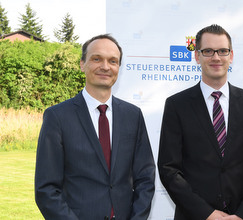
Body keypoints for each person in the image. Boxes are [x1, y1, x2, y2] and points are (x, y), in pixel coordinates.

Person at [158, 24, 243, 220]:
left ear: (231, 55)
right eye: (208, 51)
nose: (216, 57)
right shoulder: (177, 105)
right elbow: (169, 169)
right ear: (197, 56)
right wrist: (206, 214)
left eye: (222, 51)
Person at [35, 34, 156, 220]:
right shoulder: (57, 116)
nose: (105, 67)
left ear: (119, 67)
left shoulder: (133, 115)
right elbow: (47, 189)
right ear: (82, 64)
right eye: (96, 59)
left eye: (113, 61)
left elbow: (145, 179)